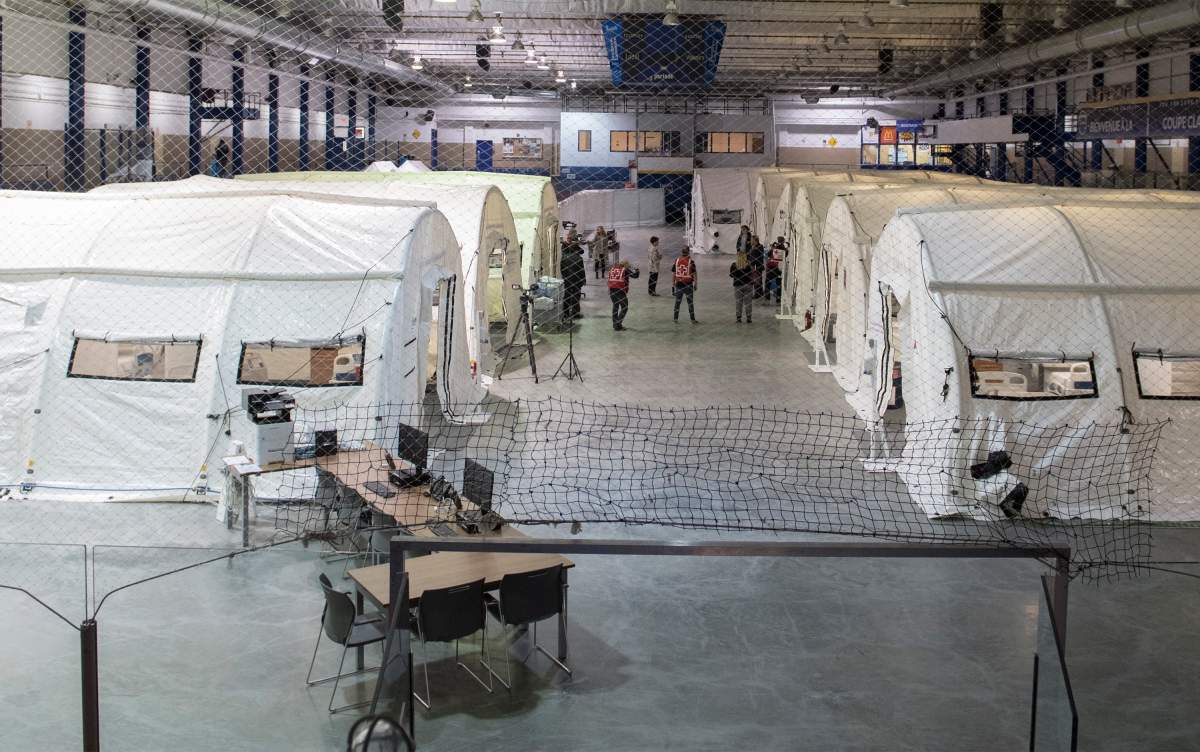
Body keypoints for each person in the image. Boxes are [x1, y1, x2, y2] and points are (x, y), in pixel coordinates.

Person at [560, 231, 587, 324]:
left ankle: (566, 313)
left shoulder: (564, 258)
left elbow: (562, 269)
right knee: (576, 296)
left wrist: (564, 277)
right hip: (576, 280)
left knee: (567, 296)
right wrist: (583, 280)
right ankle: (575, 313)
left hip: (567, 279)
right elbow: (581, 271)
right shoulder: (579, 258)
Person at [607, 260, 640, 331]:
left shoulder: (613, 268)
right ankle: (618, 324)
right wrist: (637, 270)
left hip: (612, 290)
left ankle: (615, 324)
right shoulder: (625, 270)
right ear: (626, 265)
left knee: (615, 306)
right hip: (620, 291)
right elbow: (635, 276)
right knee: (624, 307)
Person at [672, 247, 699, 324]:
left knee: (677, 302)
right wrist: (696, 284)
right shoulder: (691, 262)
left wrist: (673, 284)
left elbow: (674, 273)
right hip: (688, 285)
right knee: (690, 302)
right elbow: (694, 274)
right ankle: (692, 319)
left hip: (678, 285)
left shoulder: (677, 261)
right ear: (688, 252)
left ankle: (675, 318)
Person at [729, 250, 754, 323]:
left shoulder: (734, 265)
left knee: (738, 302)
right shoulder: (749, 265)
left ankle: (738, 318)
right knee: (748, 302)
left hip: (738, 285)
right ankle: (749, 318)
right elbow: (751, 273)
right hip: (748, 285)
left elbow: (731, 275)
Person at [766, 236, 788, 306]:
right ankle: (778, 298)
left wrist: (773, 248)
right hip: (779, 267)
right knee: (779, 282)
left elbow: (768, 254)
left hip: (772, 267)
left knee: (768, 282)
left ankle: (767, 297)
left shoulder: (775, 247)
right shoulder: (784, 249)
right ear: (783, 241)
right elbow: (786, 255)